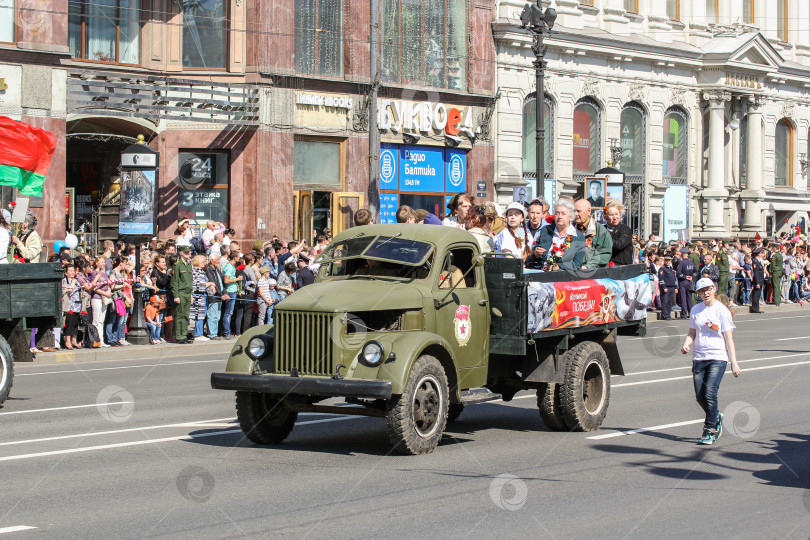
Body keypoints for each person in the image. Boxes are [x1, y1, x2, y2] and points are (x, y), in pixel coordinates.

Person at [681, 277, 741, 445]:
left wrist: (733, 362)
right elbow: (692, 331)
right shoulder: (695, 310)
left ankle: (710, 430)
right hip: (699, 357)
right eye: (701, 291)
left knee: (709, 393)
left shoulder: (722, 311)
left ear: (714, 289)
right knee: (700, 397)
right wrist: (686, 344)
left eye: (707, 289)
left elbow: (729, 338)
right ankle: (716, 416)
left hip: (717, 357)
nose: (705, 293)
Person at [530, 197, 586, 271]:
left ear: (571, 216)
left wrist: (558, 266)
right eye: (557, 213)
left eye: (563, 214)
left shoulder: (578, 237)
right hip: (541, 273)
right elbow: (534, 256)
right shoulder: (546, 230)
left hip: (563, 277)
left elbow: (576, 264)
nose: (559, 216)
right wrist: (536, 254)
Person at [574, 199, 612, 269]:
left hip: (593, 273)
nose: (575, 214)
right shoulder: (570, 229)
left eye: (578, 211)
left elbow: (604, 255)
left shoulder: (601, 231)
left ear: (589, 211)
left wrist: (587, 267)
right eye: (574, 211)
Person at [171, 245, 194, 344]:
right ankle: (179, 336)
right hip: (180, 293)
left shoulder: (188, 265)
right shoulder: (177, 265)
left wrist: (191, 294)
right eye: (186, 252)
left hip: (188, 293)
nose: (188, 254)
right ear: (180, 253)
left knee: (186, 315)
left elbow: (190, 281)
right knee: (179, 315)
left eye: (189, 252)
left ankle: (184, 335)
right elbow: (174, 282)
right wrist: (176, 295)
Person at [603, 201, 633, 265]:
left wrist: (603, 240)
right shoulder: (601, 229)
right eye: (611, 215)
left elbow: (619, 245)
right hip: (603, 264)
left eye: (616, 214)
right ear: (605, 217)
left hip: (621, 266)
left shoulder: (625, 229)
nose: (615, 217)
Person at [204, 253, 225, 339]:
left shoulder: (216, 270)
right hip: (213, 297)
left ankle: (215, 332)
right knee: (212, 316)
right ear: (212, 260)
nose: (218, 261)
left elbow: (221, 283)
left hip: (219, 297)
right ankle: (212, 334)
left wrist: (224, 293)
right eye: (217, 260)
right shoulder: (208, 270)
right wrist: (221, 294)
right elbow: (213, 283)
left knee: (217, 316)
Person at [222, 251, 242, 339]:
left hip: (233, 291)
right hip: (230, 291)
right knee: (228, 313)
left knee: (230, 313)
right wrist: (237, 279)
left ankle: (228, 331)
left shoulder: (232, 267)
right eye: (238, 257)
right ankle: (227, 332)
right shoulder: (229, 267)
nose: (239, 259)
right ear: (235, 258)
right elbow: (226, 280)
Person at [61, 264, 82, 349]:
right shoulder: (64, 281)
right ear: (66, 273)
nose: (72, 272)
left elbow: (80, 289)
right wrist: (73, 282)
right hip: (69, 305)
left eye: (73, 270)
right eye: (70, 271)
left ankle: (74, 340)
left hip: (77, 304)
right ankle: (67, 341)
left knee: (75, 324)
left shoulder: (77, 281)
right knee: (69, 323)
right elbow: (68, 291)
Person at [190, 254, 210, 341]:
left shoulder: (201, 271)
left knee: (202, 315)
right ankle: (198, 334)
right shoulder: (195, 271)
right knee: (199, 315)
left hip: (203, 295)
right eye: (202, 262)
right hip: (198, 296)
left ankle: (199, 333)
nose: (204, 263)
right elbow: (197, 285)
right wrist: (209, 284)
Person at [676, 247, 697, 318]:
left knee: (683, 298)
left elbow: (678, 273)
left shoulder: (681, 263)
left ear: (682, 254)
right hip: (690, 282)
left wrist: (685, 277)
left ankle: (684, 314)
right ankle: (691, 313)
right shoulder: (691, 263)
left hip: (683, 281)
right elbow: (695, 272)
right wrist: (692, 277)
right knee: (689, 298)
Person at [658, 255, 677, 320]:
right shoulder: (662, 269)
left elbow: (674, 279)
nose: (667, 262)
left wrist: (676, 287)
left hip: (672, 287)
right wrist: (664, 287)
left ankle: (668, 315)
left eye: (669, 260)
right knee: (665, 301)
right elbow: (661, 279)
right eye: (666, 260)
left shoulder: (671, 269)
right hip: (666, 287)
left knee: (670, 302)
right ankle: (665, 315)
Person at [750, 247, 765, 313]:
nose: (762, 254)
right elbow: (756, 273)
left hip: (760, 280)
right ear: (758, 254)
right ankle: (755, 308)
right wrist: (757, 283)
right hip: (758, 281)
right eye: (761, 253)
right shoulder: (755, 262)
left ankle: (756, 307)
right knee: (756, 295)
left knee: (757, 295)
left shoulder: (758, 262)